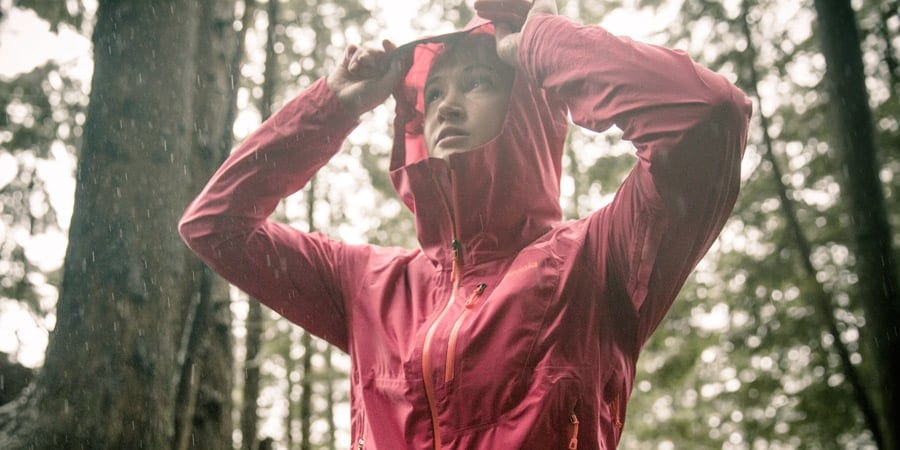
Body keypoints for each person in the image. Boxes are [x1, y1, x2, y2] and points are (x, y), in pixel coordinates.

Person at [179, 0, 752, 448]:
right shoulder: (367, 286)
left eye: (478, 82)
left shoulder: (595, 261)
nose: (445, 107)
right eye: (432, 94)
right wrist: (334, 104)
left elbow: (707, 115)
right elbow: (215, 225)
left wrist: (542, 45)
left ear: (529, 106)